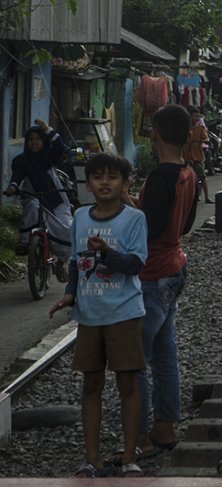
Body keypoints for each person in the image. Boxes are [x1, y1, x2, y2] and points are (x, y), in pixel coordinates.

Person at [49, 154, 148, 478]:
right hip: (89, 315)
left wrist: (106, 252)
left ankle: (130, 456)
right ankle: (91, 459)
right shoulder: (79, 216)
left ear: (124, 183)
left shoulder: (134, 219)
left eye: (113, 177)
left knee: (127, 384)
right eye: (98, 177)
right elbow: (78, 261)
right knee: (91, 384)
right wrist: (70, 293)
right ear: (88, 183)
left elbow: (135, 265)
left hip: (123, 312)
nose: (105, 183)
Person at [124, 104, 197, 454]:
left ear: (154, 133)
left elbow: (148, 228)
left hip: (153, 274)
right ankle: (165, 428)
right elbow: (182, 225)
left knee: (135, 356)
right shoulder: (189, 174)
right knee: (165, 354)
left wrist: (127, 202)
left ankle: (138, 437)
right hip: (175, 265)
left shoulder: (159, 176)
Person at [3, 119, 72, 281]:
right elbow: (17, 177)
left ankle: (60, 263)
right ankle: (25, 242)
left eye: (38, 139)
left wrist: (47, 129)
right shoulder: (21, 160)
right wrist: (12, 187)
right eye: (30, 139)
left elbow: (61, 148)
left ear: (44, 141)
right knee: (33, 207)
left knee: (67, 229)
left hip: (55, 199)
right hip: (32, 197)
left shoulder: (49, 156)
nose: (34, 142)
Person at [184, 106, 213, 204]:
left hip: (197, 156)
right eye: (195, 116)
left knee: (202, 177)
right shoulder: (184, 128)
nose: (197, 118)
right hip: (186, 156)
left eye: (198, 116)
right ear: (190, 116)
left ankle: (207, 197)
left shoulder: (200, 128)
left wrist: (203, 140)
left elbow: (206, 139)